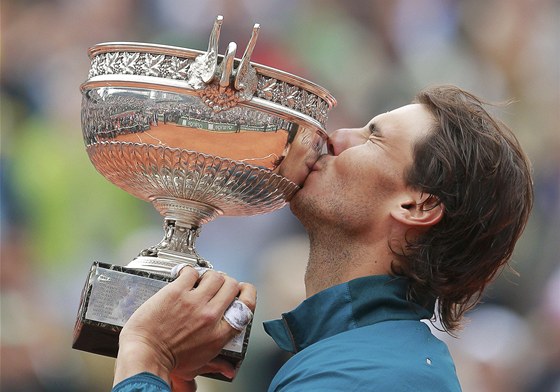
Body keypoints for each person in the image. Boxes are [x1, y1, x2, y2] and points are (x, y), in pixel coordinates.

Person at [111, 85, 534, 391]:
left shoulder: (368, 375)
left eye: (374, 137)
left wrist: (145, 355)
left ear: (416, 206)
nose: (337, 137)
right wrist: (170, 380)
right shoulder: (364, 360)